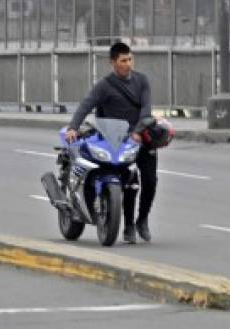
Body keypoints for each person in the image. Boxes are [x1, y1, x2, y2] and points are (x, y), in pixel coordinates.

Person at [66, 41, 165, 244]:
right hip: (115, 140)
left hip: (140, 136)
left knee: (150, 179)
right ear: (113, 62)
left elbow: (146, 111)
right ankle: (128, 225)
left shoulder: (142, 81)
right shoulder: (104, 86)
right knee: (126, 180)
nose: (128, 64)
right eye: (123, 60)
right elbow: (86, 104)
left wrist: (137, 133)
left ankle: (142, 219)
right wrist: (72, 128)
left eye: (130, 59)